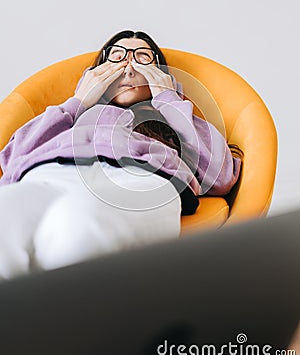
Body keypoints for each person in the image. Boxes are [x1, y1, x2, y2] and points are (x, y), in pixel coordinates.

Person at [0, 30, 242, 281]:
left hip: (141, 178)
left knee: (80, 223)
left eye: (143, 59)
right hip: (51, 173)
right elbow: (12, 160)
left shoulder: (174, 119)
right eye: (116, 57)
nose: (128, 68)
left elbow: (220, 176)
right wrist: (78, 101)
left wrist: (167, 97)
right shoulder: (70, 118)